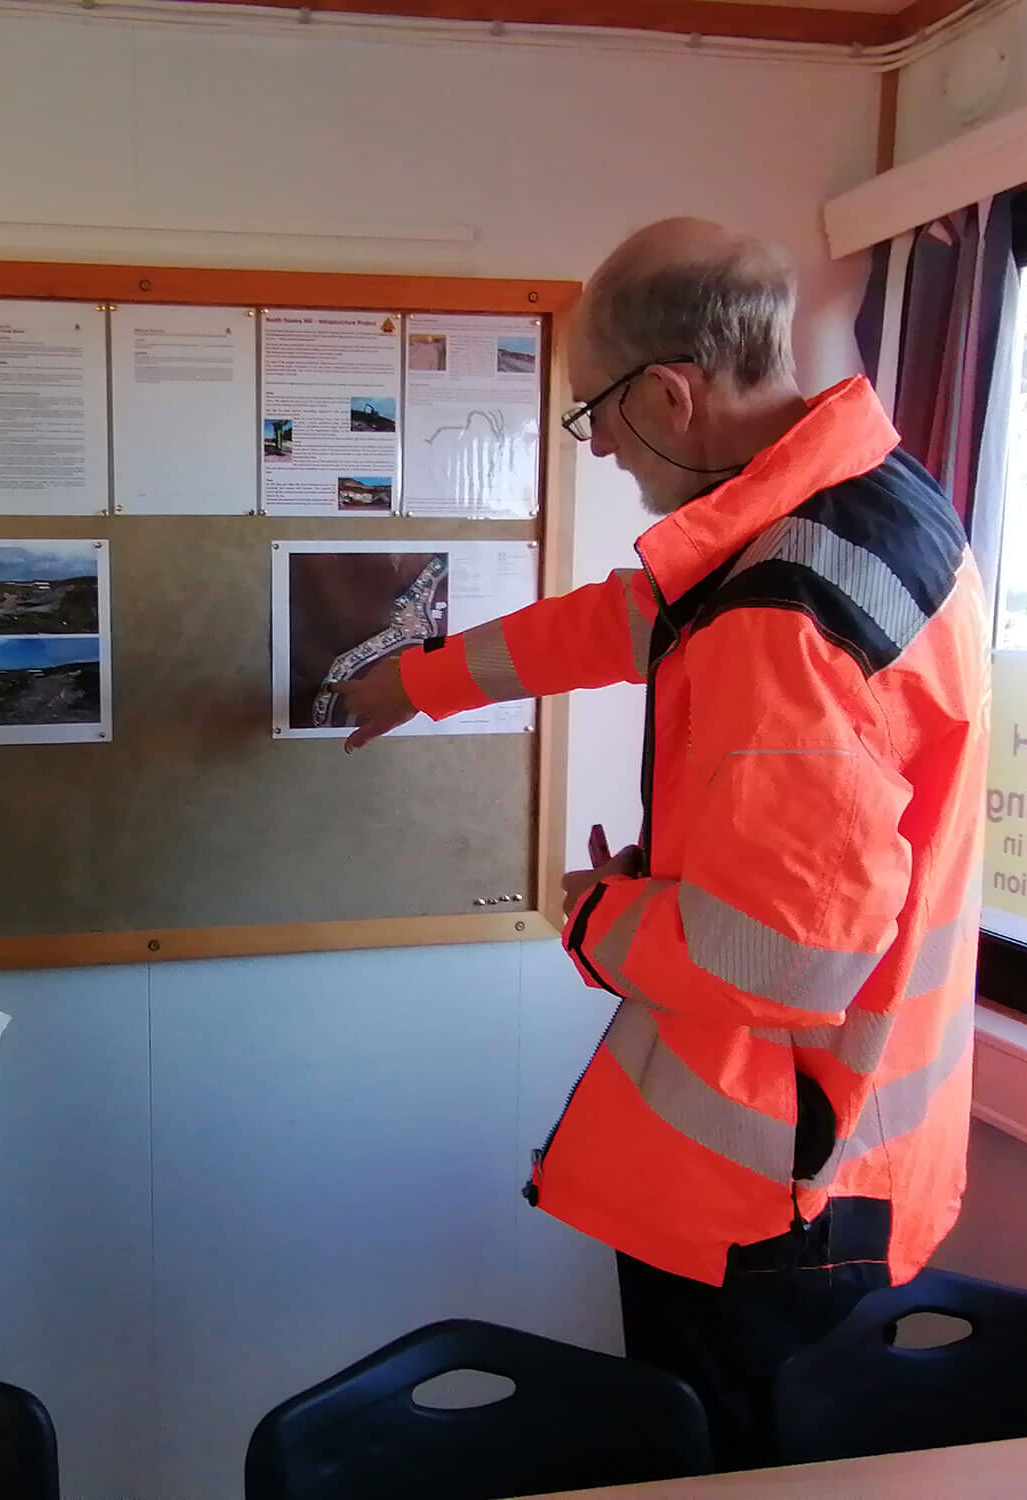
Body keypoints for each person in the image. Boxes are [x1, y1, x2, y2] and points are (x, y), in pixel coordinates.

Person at [337, 219, 987, 1468]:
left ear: (671, 395)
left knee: (736, 1473)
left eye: (594, 415)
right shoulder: (867, 504)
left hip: (773, 1190)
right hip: (857, 1148)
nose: (599, 450)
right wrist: (422, 681)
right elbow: (631, 616)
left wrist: (593, 913)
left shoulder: (779, 617)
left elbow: (775, 959)